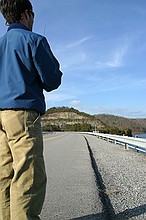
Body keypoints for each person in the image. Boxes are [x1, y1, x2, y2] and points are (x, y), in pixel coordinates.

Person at [0, 0, 63, 219]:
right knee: (28, 178)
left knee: (4, 177)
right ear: (26, 14)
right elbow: (52, 80)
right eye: (33, 15)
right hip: (23, 117)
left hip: (0, 117)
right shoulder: (34, 40)